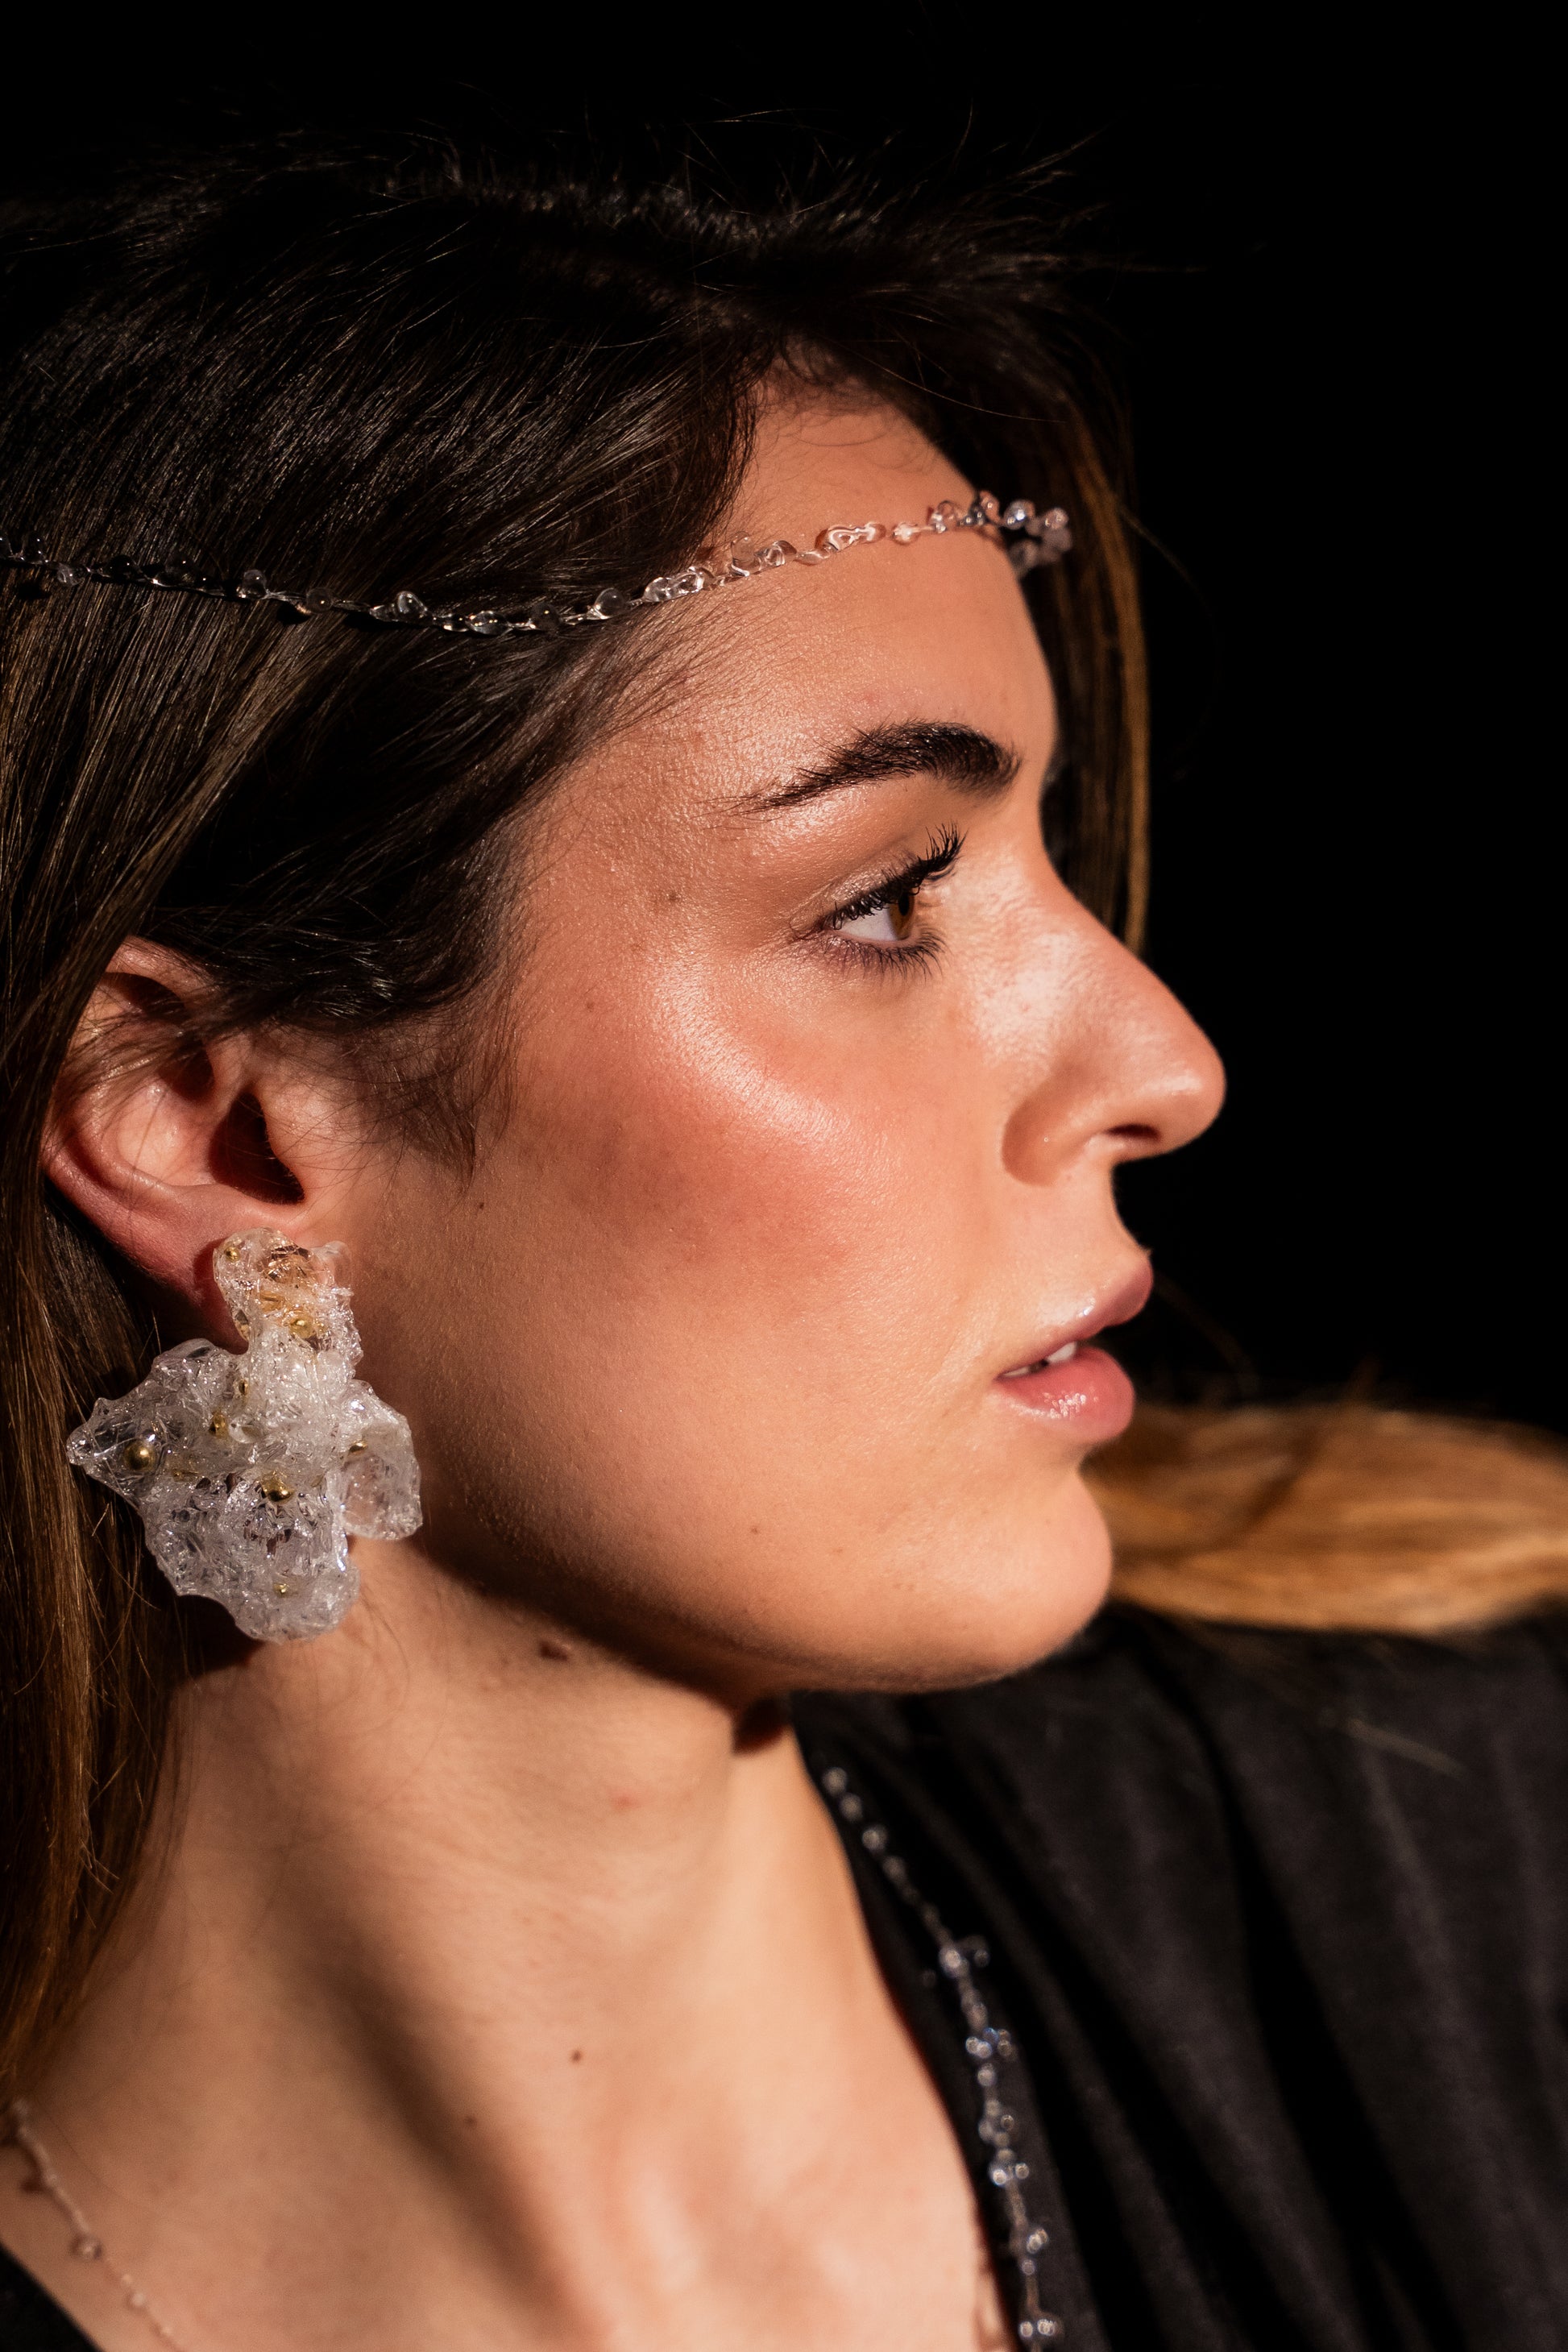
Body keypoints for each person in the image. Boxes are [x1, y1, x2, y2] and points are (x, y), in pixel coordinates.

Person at [2, 130, 1563, 2352]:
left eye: (1045, 851)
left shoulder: (1471, 1872)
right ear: (203, 1121)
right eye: (886, 900)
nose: (1166, 1061)